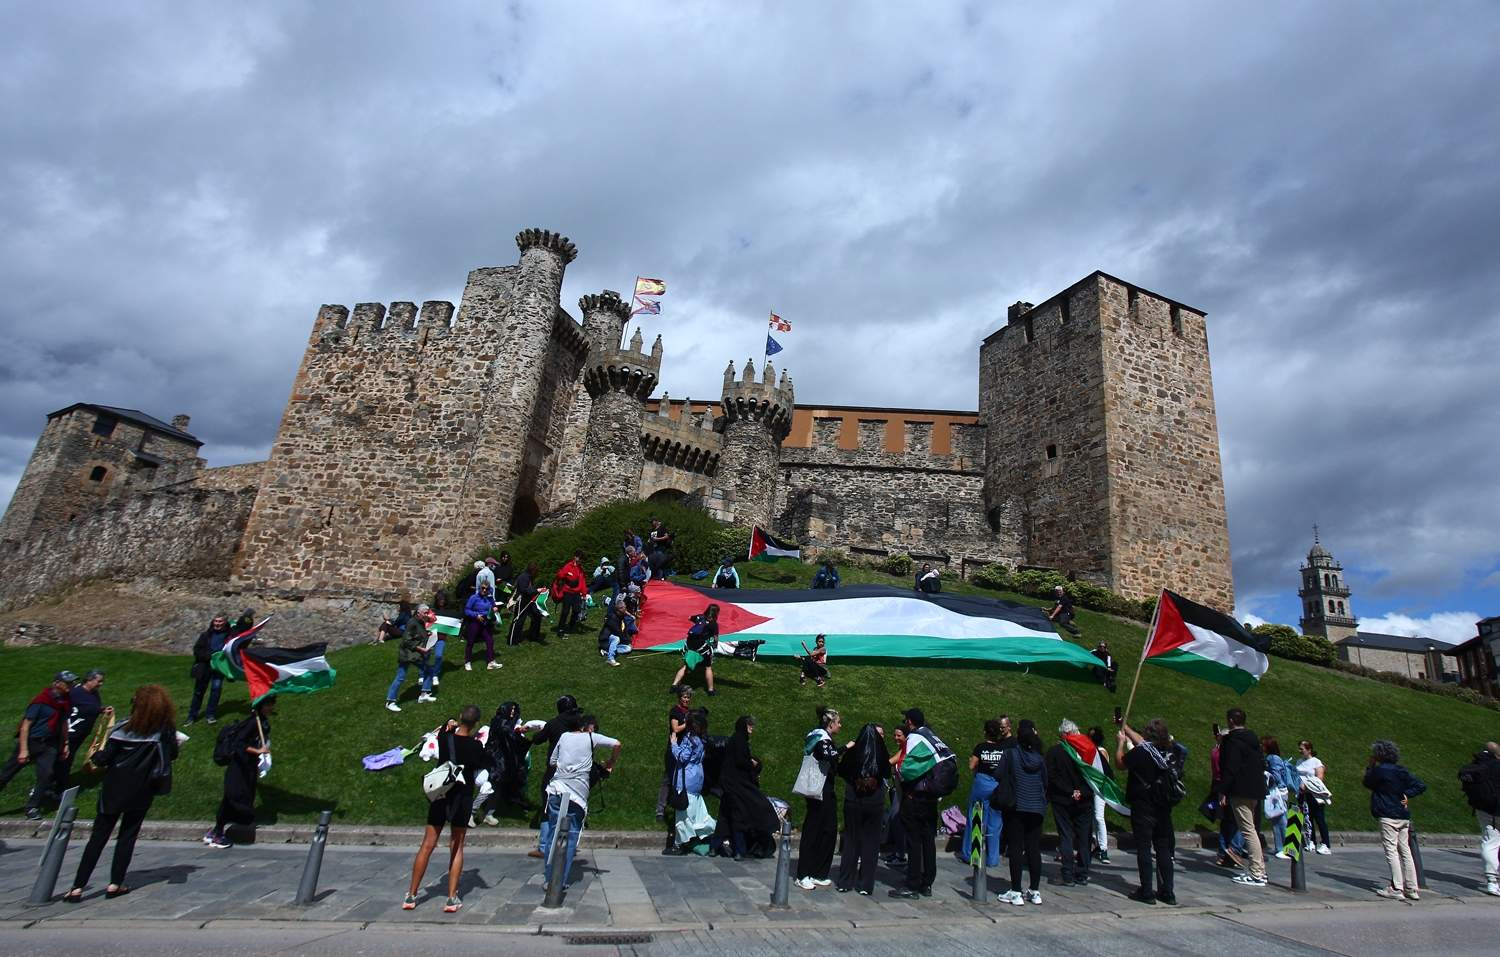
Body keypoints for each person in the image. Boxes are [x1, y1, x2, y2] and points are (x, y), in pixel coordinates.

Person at [63, 685, 179, 902]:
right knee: (127, 837)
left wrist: (96, 754)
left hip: (114, 788)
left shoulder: (122, 728)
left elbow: (104, 758)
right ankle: (115, 883)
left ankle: (77, 887)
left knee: (98, 838)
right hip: (142, 789)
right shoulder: (163, 730)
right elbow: (171, 754)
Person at [403, 704, 487, 912]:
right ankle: (451, 898)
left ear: (460, 717)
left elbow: (441, 730)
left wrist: (447, 724)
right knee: (456, 846)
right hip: (463, 796)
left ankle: (412, 895)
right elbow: (485, 763)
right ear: (476, 723)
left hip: (441, 794)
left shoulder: (444, 738)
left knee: (427, 844)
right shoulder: (475, 746)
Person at [540, 714, 621, 891]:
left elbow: (553, 761)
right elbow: (616, 743)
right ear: (588, 727)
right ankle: (559, 881)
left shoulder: (564, 736)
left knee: (554, 834)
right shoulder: (591, 737)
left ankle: (548, 877)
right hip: (576, 796)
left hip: (556, 789)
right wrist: (610, 761)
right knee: (570, 837)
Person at [888, 708, 955, 899]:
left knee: (914, 841)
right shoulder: (933, 737)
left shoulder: (915, 738)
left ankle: (912, 884)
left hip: (916, 797)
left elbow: (904, 767)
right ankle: (927, 882)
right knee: (928, 841)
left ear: (909, 722)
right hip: (931, 797)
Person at [1117, 718, 1181, 905]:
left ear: (1148, 734)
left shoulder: (1142, 753)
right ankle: (1168, 892)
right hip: (1164, 806)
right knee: (1163, 849)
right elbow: (1143, 742)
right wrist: (1126, 727)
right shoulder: (1170, 751)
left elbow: (1120, 763)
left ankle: (1146, 891)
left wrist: (1121, 743)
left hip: (1143, 806)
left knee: (1144, 848)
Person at [1, 671, 77, 819]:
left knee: (46, 775)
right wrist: (24, 750)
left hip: (49, 745)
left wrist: (65, 744)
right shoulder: (41, 701)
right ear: (56, 684)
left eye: (72, 683)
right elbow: (25, 726)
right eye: (68, 683)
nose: (71, 685)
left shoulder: (65, 702)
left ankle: (32, 807)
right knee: (6, 774)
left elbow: (63, 724)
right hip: (31, 741)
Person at [206, 695, 276, 848]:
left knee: (236, 798)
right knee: (233, 798)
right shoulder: (252, 723)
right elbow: (239, 744)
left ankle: (216, 831)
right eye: (269, 705)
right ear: (261, 706)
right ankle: (217, 833)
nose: (272, 708)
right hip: (239, 767)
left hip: (249, 766)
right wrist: (258, 750)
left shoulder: (262, 722)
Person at [1364, 739, 1426, 901]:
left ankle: (1396, 887)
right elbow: (1420, 785)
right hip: (1402, 814)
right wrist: (1407, 795)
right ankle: (1412, 887)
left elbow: (1367, 782)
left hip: (1387, 813)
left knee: (1391, 851)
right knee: (1405, 851)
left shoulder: (1379, 771)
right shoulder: (1401, 770)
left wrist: (1370, 767)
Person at [996, 719, 1048, 906]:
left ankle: (1016, 890)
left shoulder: (1011, 754)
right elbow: (1045, 781)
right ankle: (1034, 890)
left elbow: (999, 774)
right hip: (1037, 807)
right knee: (1034, 848)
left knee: (1016, 847)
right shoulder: (1040, 758)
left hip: (1018, 805)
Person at [835, 723, 890, 895]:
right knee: (871, 843)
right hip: (874, 801)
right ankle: (865, 884)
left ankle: (845, 881)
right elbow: (887, 773)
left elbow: (842, 770)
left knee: (851, 840)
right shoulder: (881, 752)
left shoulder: (854, 752)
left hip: (853, 799)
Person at [716, 715, 779, 859]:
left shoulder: (737, 739)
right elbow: (740, 761)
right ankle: (739, 850)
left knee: (725, 817)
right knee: (740, 816)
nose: (751, 727)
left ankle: (716, 846)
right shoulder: (740, 741)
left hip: (730, 784)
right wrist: (753, 764)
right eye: (749, 725)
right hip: (737, 786)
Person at [794, 706, 842, 889]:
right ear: (830, 724)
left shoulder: (824, 738)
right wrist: (846, 747)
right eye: (838, 722)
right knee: (813, 831)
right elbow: (827, 754)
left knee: (829, 830)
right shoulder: (820, 738)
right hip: (818, 791)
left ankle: (818, 872)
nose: (840, 725)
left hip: (826, 791)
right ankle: (803, 874)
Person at [1219, 707, 1268, 886]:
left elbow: (1231, 768)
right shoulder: (1252, 739)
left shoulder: (1233, 741)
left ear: (1231, 721)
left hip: (1240, 789)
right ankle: (1259, 870)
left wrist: (1223, 790)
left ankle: (1256, 872)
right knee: (1251, 829)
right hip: (1255, 789)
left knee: (1248, 830)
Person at [1045, 719, 1095, 886]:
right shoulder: (1089, 751)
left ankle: (1067, 872)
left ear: (1064, 735)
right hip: (1085, 798)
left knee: (1066, 835)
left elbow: (1051, 777)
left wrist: (1070, 791)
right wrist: (1081, 791)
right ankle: (1082, 872)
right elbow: (1096, 777)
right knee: (1083, 837)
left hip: (1063, 799)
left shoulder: (1054, 752)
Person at [958, 718, 1007, 871]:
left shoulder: (981, 747)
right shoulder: (1004, 749)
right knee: (995, 821)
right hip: (998, 785)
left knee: (976, 818)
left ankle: (972, 855)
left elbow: (972, 765)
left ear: (985, 732)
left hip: (981, 784)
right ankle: (992, 858)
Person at [668, 710, 715, 854]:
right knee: (697, 812)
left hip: (686, 779)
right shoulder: (702, 738)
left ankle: (679, 845)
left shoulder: (690, 738)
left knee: (683, 815)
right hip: (697, 778)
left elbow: (682, 757)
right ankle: (711, 833)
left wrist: (674, 744)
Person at [56, 669, 111, 793]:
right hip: (69, 733)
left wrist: (101, 710)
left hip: (80, 735)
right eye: (99, 681)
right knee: (62, 760)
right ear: (89, 680)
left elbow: (89, 708)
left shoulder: (94, 693)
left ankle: (59, 785)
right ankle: (53, 786)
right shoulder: (75, 692)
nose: (101, 684)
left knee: (67, 760)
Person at [1457, 741, 1500, 897]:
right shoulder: (1497, 766)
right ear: (1497, 754)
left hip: (1484, 809)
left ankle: (1492, 881)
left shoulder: (1475, 767)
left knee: (1490, 842)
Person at [478, 701, 530, 824]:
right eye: (511, 709)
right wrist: (520, 733)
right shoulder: (501, 723)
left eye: (514, 709)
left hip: (500, 758)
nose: (513, 712)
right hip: (497, 760)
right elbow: (507, 734)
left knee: (496, 787)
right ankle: (478, 811)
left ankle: (487, 811)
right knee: (492, 786)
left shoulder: (501, 721)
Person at [656, 686, 695, 825]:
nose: (686, 699)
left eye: (688, 697)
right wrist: (688, 722)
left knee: (681, 780)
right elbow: (675, 728)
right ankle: (660, 810)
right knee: (667, 779)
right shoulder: (675, 711)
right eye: (684, 697)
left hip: (685, 750)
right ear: (679, 698)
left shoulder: (689, 712)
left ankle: (678, 807)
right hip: (673, 749)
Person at [386, 604, 435, 711]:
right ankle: (390, 701)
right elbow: (406, 641)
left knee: (429, 671)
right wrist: (421, 649)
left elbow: (417, 635)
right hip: (407, 654)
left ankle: (424, 694)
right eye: (425, 613)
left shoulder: (421, 622)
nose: (427, 615)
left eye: (428, 612)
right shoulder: (411, 623)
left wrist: (428, 634)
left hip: (414, 654)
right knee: (400, 677)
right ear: (418, 613)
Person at [189, 615, 232, 723]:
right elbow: (197, 649)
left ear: (225, 623)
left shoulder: (229, 637)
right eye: (215, 621)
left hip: (218, 668)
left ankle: (210, 715)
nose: (217, 623)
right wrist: (208, 656)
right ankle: (192, 716)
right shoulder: (206, 635)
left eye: (220, 621)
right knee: (199, 692)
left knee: (215, 691)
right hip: (205, 667)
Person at [1262, 736, 1299, 859]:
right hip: (1278, 790)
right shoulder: (1272, 757)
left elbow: (1276, 776)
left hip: (1278, 791)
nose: (1262, 747)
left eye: (1263, 745)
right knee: (1276, 819)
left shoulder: (1273, 758)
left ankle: (1285, 848)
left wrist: (1265, 774)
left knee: (1280, 819)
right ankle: (1280, 847)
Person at [671, 604, 720, 695]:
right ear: (716, 613)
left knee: (686, 665)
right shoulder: (714, 624)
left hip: (690, 643)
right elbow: (715, 637)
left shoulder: (700, 617)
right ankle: (711, 690)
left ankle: (674, 685)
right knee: (708, 667)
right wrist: (715, 646)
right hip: (700, 645)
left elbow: (690, 617)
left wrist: (698, 621)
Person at [1295, 740, 1332, 855]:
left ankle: (1326, 844)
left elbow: (1319, 778)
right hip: (1302, 794)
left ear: (1309, 750)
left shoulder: (1316, 762)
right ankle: (1310, 841)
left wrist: (1306, 785)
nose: (1300, 751)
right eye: (1299, 749)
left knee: (1319, 818)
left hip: (1314, 795)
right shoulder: (1299, 762)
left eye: (1302, 749)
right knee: (1307, 818)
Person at [1087, 726, 1114, 863]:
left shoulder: (1101, 752)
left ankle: (1103, 849)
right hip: (1092, 787)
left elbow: (1101, 772)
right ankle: (1097, 845)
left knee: (1098, 817)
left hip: (1100, 789)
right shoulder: (1092, 750)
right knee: (1093, 817)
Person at [463, 583, 501, 671]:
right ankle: (467, 661)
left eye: (486, 589)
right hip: (475, 621)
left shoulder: (489, 597)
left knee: (490, 640)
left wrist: (495, 608)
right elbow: (467, 610)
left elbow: (493, 605)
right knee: (471, 641)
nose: (484, 590)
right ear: (479, 588)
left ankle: (490, 662)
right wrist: (476, 615)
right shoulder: (474, 598)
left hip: (486, 621)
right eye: (483, 588)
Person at [551, 551, 589, 637]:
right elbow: (560, 575)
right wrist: (566, 574)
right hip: (567, 592)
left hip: (576, 593)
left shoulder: (580, 569)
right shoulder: (568, 566)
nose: (580, 560)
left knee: (576, 610)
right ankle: (560, 629)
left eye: (581, 559)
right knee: (565, 611)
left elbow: (582, 582)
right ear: (575, 557)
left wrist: (584, 594)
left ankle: (571, 625)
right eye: (579, 558)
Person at [509, 563, 544, 645]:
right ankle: (512, 640)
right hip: (522, 601)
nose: (537, 574)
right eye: (536, 572)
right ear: (532, 571)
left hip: (530, 601)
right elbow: (524, 590)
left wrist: (538, 591)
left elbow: (530, 589)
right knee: (518, 620)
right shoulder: (523, 577)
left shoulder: (529, 577)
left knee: (537, 616)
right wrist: (537, 590)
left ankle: (533, 636)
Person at [599, 596, 637, 667]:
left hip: (613, 638)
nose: (626, 609)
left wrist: (631, 616)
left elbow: (623, 628)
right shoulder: (612, 619)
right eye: (624, 608)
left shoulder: (620, 614)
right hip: (605, 640)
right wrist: (627, 641)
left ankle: (606, 651)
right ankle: (610, 659)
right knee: (617, 638)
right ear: (619, 609)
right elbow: (618, 632)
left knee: (628, 649)